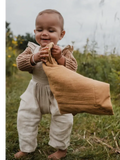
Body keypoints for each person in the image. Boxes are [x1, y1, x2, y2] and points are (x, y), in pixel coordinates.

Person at [14, 9, 78, 159]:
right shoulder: (32, 49)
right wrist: (34, 58)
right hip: (34, 91)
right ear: (35, 31)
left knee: (63, 119)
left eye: (51, 30)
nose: (44, 33)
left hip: (58, 92)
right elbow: (20, 64)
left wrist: (60, 58)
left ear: (61, 34)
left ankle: (61, 149)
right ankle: (26, 147)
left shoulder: (64, 51)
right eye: (40, 29)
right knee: (25, 117)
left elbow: (73, 68)